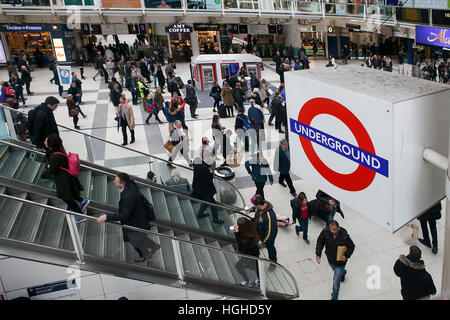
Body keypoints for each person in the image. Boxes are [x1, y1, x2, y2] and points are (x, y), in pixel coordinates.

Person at [96, 173, 161, 262]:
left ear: (122, 184)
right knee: (138, 238)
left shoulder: (128, 197)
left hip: (136, 223)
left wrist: (107, 217)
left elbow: (124, 215)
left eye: (116, 180)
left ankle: (144, 255)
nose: (114, 181)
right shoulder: (130, 183)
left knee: (134, 240)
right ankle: (153, 245)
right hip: (139, 218)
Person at [45, 134, 89, 223]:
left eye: (46, 141)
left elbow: (51, 171)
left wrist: (48, 166)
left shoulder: (55, 157)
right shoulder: (60, 150)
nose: (44, 142)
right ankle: (82, 201)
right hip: (67, 177)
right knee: (70, 193)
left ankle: (79, 215)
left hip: (63, 180)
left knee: (66, 197)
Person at [316, 220, 355, 300]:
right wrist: (318, 254)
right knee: (335, 270)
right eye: (331, 229)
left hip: (340, 263)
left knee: (335, 282)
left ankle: (334, 297)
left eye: (335, 229)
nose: (333, 231)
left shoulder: (344, 236)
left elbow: (352, 246)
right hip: (330, 259)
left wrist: (346, 255)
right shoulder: (325, 232)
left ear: (338, 228)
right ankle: (343, 273)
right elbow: (320, 241)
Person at [230, 217, 261, 287]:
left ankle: (249, 280)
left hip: (250, 254)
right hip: (253, 253)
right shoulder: (251, 228)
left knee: (239, 266)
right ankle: (258, 279)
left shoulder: (250, 237)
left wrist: (237, 233)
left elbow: (242, 245)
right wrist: (236, 232)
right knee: (255, 267)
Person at [191, 157, 224, 224]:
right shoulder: (205, 170)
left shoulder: (197, 161)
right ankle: (215, 219)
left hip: (198, 186)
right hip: (205, 190)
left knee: (206, 202)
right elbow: (209, 179)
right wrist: (211, 173)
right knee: (213, 204)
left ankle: (200, 213)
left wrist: (208, 169)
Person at [252, 196, 278, 270]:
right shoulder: (261, 207)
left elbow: (270, 233)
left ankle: (273, 262)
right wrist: (251, 209)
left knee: (271, 248)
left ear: (258, 205)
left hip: (267, 236)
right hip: (260, 230)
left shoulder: (270, 216)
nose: (255, 207)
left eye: (255, 206)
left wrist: (263, 243)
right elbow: (256, 212)